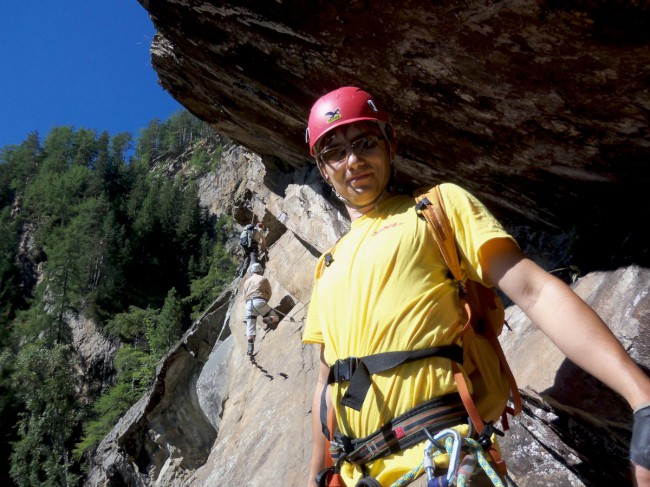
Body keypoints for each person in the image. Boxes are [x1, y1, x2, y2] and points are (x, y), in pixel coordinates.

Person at [301, 86, 650, 487]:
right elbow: (327, 379)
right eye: (335, 152)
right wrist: (315, 475)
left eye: (364, 142)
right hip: (360, 472)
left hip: (442, 455)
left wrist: (641, 397)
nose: (353, 160)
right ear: (323, 169)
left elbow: (533, 290)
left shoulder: (435, 208)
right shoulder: (326, 264)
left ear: (389, 143)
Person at [243, 262, 278, 356]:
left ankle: (250, 347)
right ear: (260, 270)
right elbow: (269, 292)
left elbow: (244, 296)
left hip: (249, 304)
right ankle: (269, 318)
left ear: (252, 271)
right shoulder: (263, 279)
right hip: (259, 301)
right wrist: (265, 301)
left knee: (250, 325)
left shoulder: (246, 282)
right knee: (276, 317)